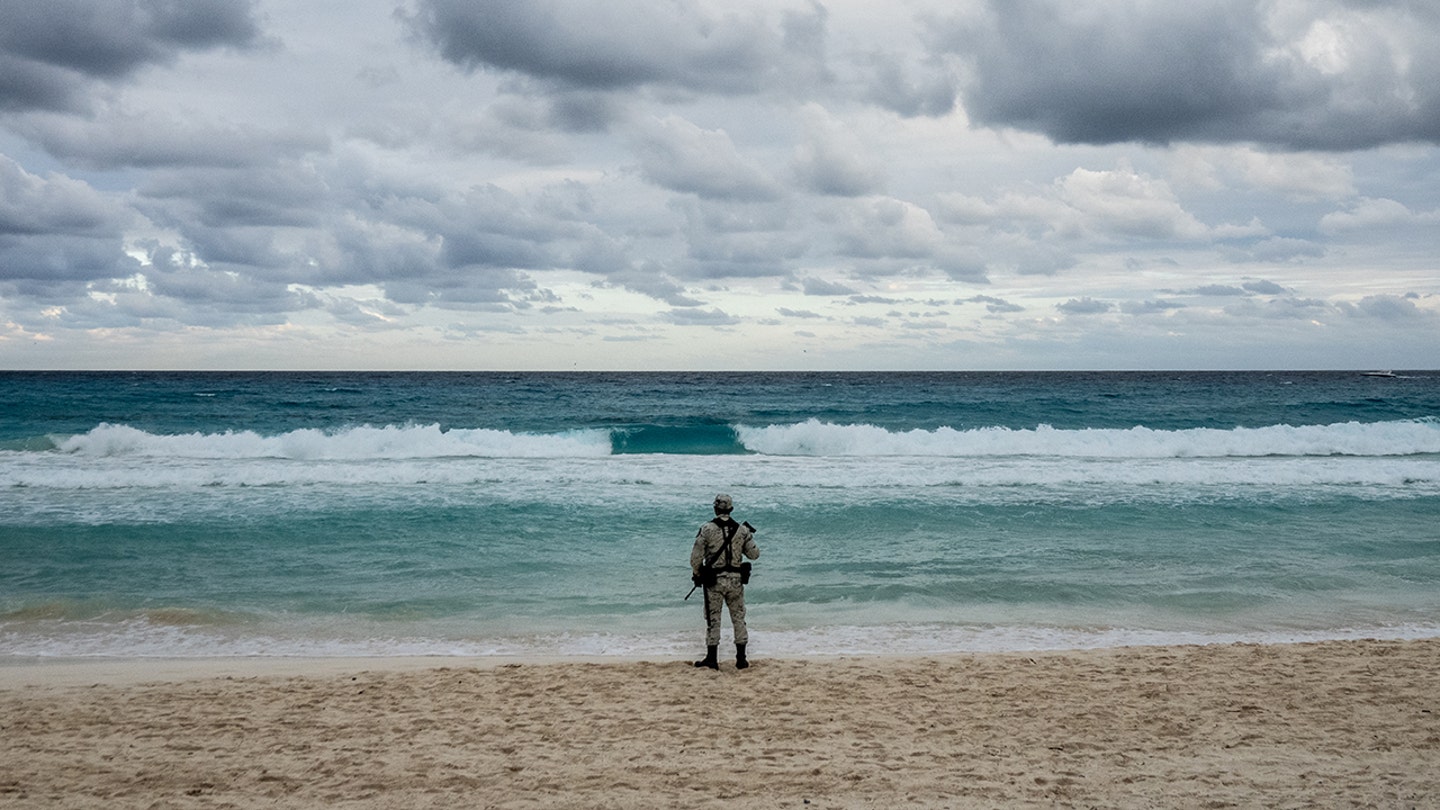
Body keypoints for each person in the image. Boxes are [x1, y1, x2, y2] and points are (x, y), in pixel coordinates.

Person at [690, 493, 760, 670]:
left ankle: (712, 659)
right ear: (731, 509)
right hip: (736, 581)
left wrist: (697, 574)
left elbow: (695, 558)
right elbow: (754, 555)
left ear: (715, 508)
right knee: (739, 618)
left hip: (714, 582)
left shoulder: (706, 529)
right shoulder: (742, 531)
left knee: (714, 619)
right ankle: (741, 659)